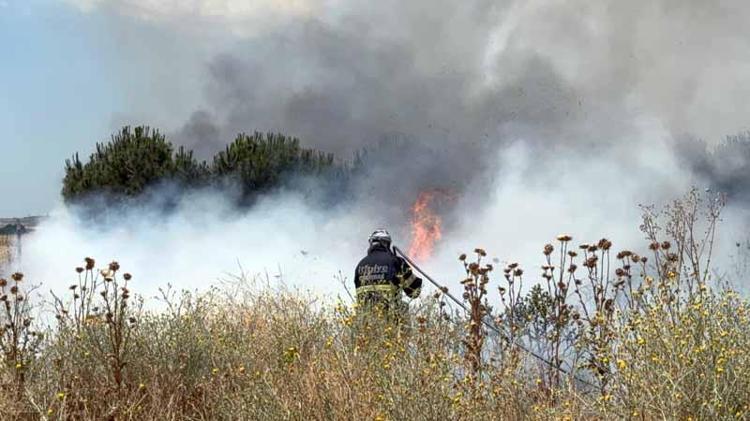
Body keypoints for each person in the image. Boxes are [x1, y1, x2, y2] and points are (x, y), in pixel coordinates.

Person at [354, 229, 422, 314]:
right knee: (403, 307)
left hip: (365, 317)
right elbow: (413, 292)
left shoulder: (360, 264)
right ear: (386, 243)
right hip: (390, 315)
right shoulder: (395, 261)